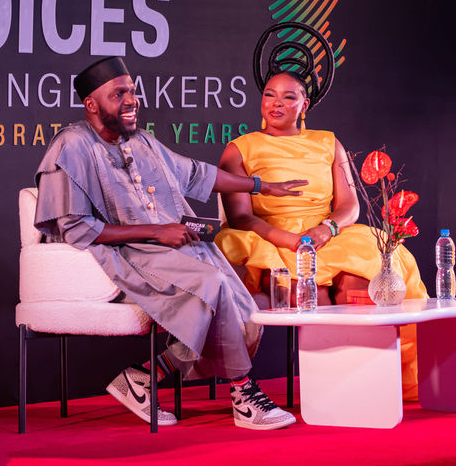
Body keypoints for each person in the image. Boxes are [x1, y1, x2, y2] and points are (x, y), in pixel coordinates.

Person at [33, 57, 304, 430]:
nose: (131, 100)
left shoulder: (141, 140)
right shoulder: (72, 145)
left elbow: (196, 174)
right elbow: (76, 227)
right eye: (119, 94)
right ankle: (244, 395)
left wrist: (260, 185)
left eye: (132, 90)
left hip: (171, 247)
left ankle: (144, 376)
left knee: (242, 299)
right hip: (125, 252)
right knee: (211, 285)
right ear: (91, 104)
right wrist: (157, 231)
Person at [215, 70, 429, 401]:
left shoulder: (328, 142)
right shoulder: (240, 149)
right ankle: (324, 389)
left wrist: (325, 229)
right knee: (304, 288)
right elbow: (240, 217)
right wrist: (288, 240)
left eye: (289, 96)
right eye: (270, 94)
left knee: (363, 280)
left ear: (304, 104)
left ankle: (369, 384)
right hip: (268, 236)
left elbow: (349, 206)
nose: (277, 103)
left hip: (324, 234)